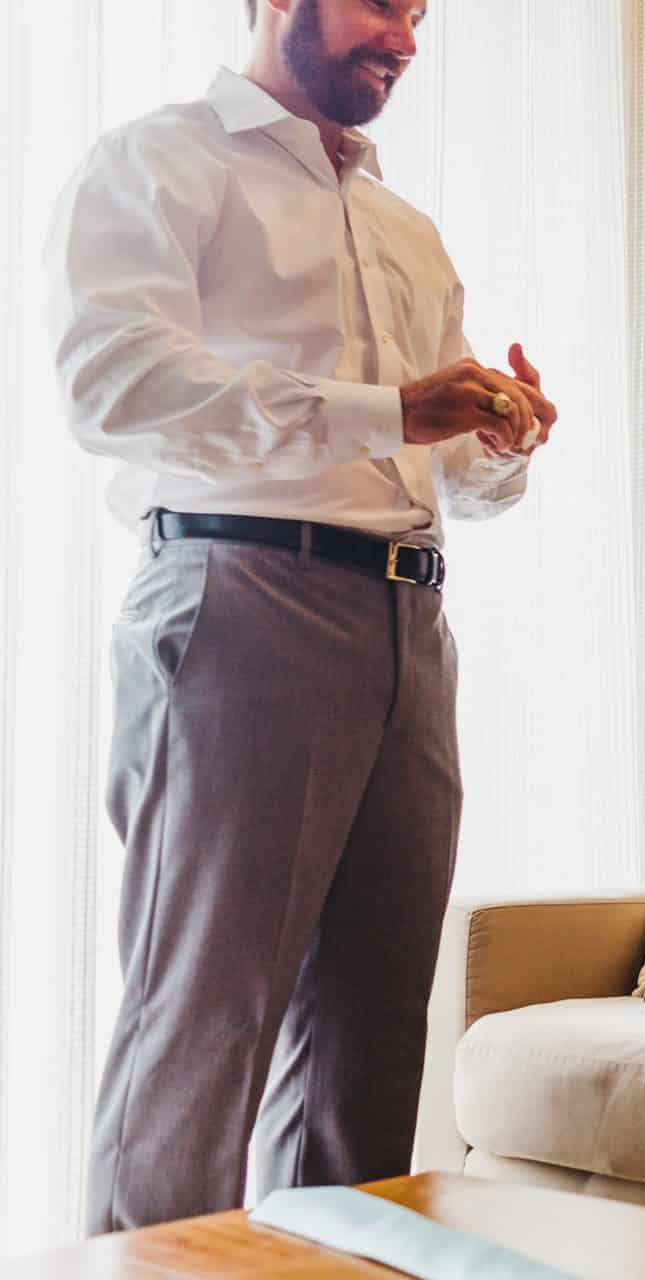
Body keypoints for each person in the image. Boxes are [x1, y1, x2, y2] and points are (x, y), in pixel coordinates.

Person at [45, 0, 558, 1231]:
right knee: (203, 1019)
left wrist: (498, 439)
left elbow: (443, 473)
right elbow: (114, 385)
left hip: (408, 626)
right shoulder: (159, 161)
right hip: (240, 605)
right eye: (386, 4)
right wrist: (387, 409)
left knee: (371, 1029)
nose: (411, 39)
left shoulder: (406, 229)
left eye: (422, 15)